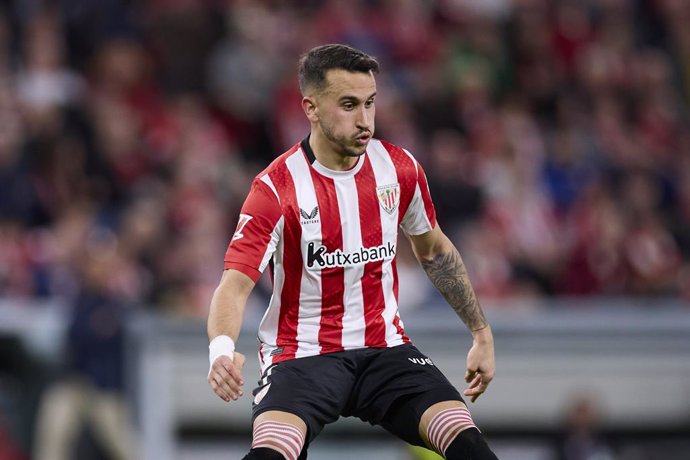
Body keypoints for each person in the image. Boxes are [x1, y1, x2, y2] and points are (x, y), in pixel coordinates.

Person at [207, 44, 498, 460]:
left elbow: (434, 251)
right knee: (269, 455)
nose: (365, 120)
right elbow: (234, 286)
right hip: (302, 355)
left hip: (386, 351)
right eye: (348, 105)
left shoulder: (398, 169)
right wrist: (221, 350)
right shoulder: (275, 188)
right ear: (311, 107)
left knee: (469, 444)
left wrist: (481, 333)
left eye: (370, 103)